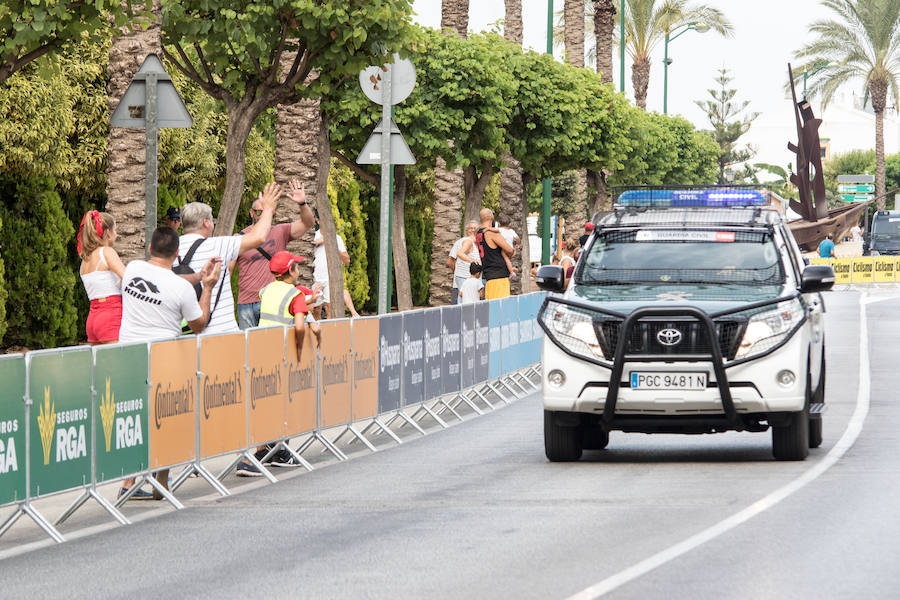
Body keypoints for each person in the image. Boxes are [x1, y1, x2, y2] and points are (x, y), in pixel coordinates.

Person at [117, 227, 222, 499]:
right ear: (177, 255)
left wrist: (198, 276)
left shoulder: (132, 269)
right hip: (163, 360)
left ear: (150, 248)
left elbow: (164, 279)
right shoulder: (181, 289)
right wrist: (206, 286)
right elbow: (199, 324)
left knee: (135, 417)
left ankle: (129, 483)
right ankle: (161, 477)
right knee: (165, 418)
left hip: (128, 357)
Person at [240, 251, 322, 473]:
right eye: (296, 266)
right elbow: (298, 325)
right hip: (279, 354)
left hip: (260, 349)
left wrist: (308, 299)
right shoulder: (294, 295)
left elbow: (282, 301)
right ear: (290, 272)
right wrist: (298, 347)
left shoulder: (266, 290)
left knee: (264, 400)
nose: (298, 270)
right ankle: (266, 454)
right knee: (280, 402)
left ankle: (268, 450)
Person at [177, 182, 280, 334]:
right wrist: (269, 208)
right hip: (219, 333)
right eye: (212, 220)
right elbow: (258, 237)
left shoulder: (170, 249)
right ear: (206, 223)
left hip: (183, 333)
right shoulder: (218, 246)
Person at [235, 179, 315, 329]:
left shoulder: (280, 231)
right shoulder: (238, 238)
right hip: (246, 303)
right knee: (248, 348)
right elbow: (228, 270)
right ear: (251, 213)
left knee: (272, 346)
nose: (261, 215)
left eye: (265, 210)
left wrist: (302, 204)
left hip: (272, 301)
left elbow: (308, 223)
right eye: (258, 211)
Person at [77, 210, 125, 345]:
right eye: (115, 230)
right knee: (117, 363)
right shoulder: (107, 252)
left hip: (93, 318)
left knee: (100, 365)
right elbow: (128, 278)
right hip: (111, 314)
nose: (117, 234)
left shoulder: (85, 260)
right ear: (108, 232)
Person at [312, 227, 361, 319]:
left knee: (329, 307)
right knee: (316, 309)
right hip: (314, 277)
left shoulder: (337, 238)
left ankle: (329, 331)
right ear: (318, 221)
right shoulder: (313, 236)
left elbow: (347, 260)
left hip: (330, 278)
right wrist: (316, 243)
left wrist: (333, 245)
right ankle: (318, 332)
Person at [475, 208, 514, 299]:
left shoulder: (478, 234)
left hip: (489, 276)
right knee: (501, 308)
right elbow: (509, 250)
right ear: (491, 217)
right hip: (499, 277)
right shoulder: (490, 233)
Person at [448, 221, 479, 305]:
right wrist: (457, 272)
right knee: (462, 305)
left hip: (474, 282)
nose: (473, 230)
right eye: (470, 228)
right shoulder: (463, 242)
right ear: (466, 230)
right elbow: (450, 261)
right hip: (462, 280)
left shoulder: (479, 245)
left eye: (475, 228)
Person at [497, 214, 520, 278]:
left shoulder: (499, 230)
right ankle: (510, 271)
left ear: (499, 224)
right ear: (509, 224)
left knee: (506, 259)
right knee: (508, 260)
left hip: (505, 249)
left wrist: (488, 229)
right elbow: (517, 238)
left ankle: (511, 272)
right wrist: (517, 244)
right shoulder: (511, 231)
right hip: (512, 250)